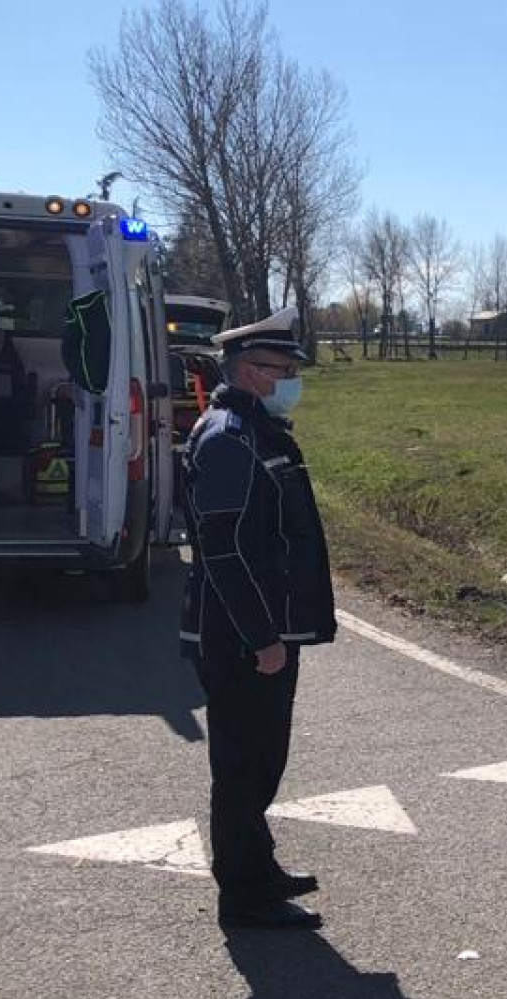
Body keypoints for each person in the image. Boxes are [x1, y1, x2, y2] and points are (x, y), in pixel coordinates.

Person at [179, 306, 335, 930]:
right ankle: (243, 897)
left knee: (262, 759)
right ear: (248, 372)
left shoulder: (253, 428)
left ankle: (258, 869)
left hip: (264, 633)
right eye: (283, 369)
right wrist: (262, 637)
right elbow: (223, 551)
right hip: (242, 637)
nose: (292, 378)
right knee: (243, 767)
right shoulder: (228, 439)